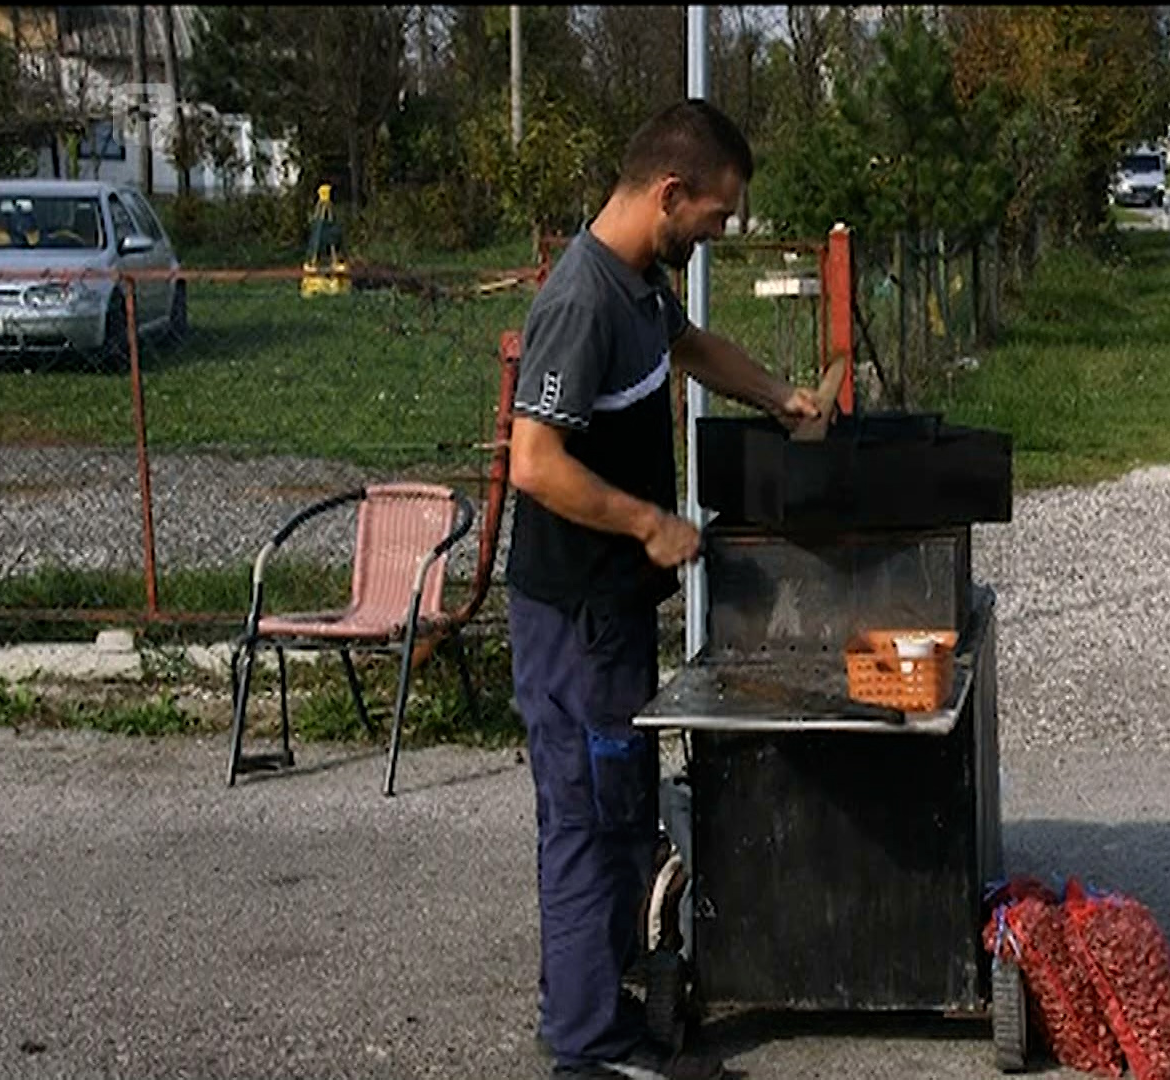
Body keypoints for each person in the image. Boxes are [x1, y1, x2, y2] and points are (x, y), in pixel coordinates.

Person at [505, 100, 822, 1080]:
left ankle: (602, 1002)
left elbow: (693, 350)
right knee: (589, 824)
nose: (720, 233)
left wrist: (780, 397)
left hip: (614, 613)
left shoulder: (640, 287)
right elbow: (534, 463)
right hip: (575, 616)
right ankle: (588, 1048)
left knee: (619, 812)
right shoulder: (583, 299)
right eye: (718, 217)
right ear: (670, 194)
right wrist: (649, 522)